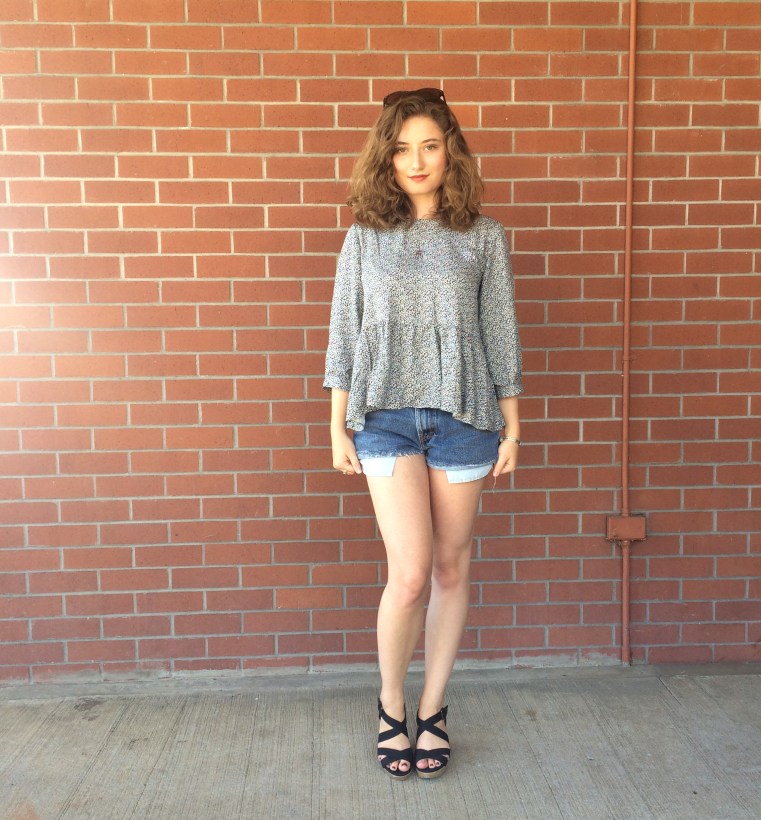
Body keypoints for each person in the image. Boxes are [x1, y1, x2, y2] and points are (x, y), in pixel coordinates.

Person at [323, 88, 522, 780]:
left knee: (449, 567)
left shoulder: (485, 236)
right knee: (408, 574)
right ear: (387, 155)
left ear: (451, 152)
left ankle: (432, 711)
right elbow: (345, 331)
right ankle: (389, 704)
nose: (416, 160)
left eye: (430, 145)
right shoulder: (363, 236)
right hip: (382, 417)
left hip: (465, 418)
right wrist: (337, 422)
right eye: (402, 147)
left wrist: (514, 423)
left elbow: (500, 332)